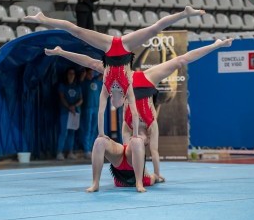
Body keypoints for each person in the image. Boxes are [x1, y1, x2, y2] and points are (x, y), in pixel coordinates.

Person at [45, 38, 234, 191]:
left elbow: (182, 59)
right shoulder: (115, 78)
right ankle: (109, 181)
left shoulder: (141, 78)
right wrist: (60, 52)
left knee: (180, 60)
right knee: (118, 141)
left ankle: (216, 44)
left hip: (142, 89)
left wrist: (216, 45)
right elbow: (88, 61)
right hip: (127, 153)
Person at [24, 6, 206, 151]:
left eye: (115, 99)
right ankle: (185, 13)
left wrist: (61, 53)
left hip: (110, 48)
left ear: (113, 98)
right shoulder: (128, 88)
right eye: (119, 101)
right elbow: (134, 113)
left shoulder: (107, 85)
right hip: (125, 47)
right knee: (154, 29)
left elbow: (100, 109)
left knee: (78, 32)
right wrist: (135, 134)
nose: (117, 98)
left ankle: (43, 19)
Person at [56, 67, 83, 160]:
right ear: (67, 75)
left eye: (73, 74)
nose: (71, 75)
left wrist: (74, 106)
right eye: (70, 73)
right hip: (65, 112)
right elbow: (62, 97)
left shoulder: (77, 86)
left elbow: (81, 99)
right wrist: (69, 106)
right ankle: (59, 152)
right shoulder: (63, 85)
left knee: (72, 132)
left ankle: (70, 152)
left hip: (75, 112)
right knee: (63, 132)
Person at [80, 68, 102, 159]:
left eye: (92, 73)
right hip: (87, 108)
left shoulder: (96, 81)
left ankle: (93, 148)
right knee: (87, 129)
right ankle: (86, 150)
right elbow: (80, 80)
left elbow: (102, 74)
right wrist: (84, 73)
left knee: (93, 129)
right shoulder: (84, 83)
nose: (91, 75)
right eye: (89, 73)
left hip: (96, 108)